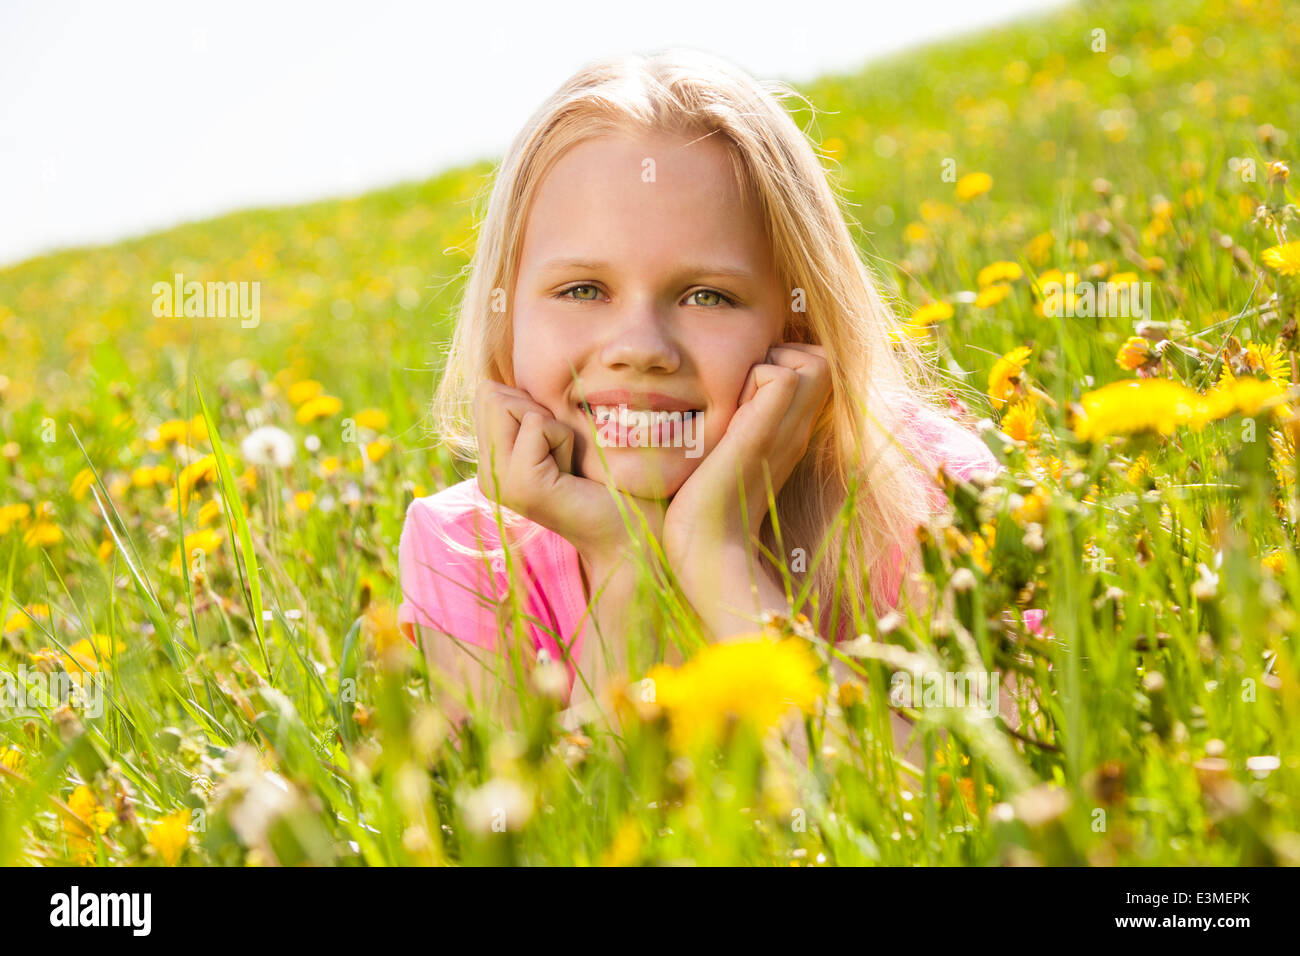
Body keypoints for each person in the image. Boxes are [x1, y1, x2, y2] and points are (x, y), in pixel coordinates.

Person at [397, 48, 998, 731]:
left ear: (796, 320)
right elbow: (570, 831)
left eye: (707, 296)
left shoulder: (928, 493)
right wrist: (627, 562)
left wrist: (716, 552)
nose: (640, 349)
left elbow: (936, 805)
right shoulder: (466, 554)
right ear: (506, 313)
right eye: (583, 290)